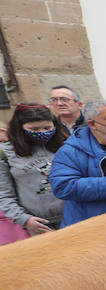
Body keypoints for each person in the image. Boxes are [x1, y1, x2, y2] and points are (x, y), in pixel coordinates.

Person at [0, 103, 68, 240]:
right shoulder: (6, 153)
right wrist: (24, 220)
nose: (42, 132)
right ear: (19, 128)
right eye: (34, 129)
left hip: (76, 215)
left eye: (47, 128)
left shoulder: (66, 144)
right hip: (40, 225)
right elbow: (4, 195)